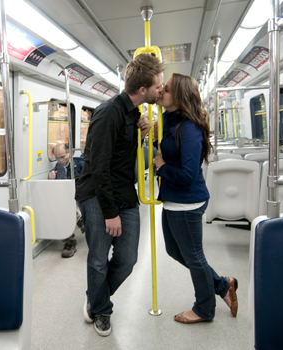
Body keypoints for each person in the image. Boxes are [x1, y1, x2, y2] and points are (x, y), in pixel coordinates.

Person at [75, 53, 164, 336]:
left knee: (127, 259)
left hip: (125, 193)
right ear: (142, 90)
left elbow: (119, 155)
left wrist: (142, 135)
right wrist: (110, 212)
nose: (160, 90)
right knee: (99, 258)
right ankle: (102, 310)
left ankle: (95, 297)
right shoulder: (108, 113)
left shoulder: (133, 113)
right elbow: (98, 168)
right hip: (98, 196)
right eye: (157, 86)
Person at [153, 73, 238, 324]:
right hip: (173, 200)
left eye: (165, 89)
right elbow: (169, 147)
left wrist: (161, 167)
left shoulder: (189, 128)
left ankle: (204, 308)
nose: (160, 92)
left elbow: (188, 174)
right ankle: (223, 285)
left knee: (193, 256)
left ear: (178, 96)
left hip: (186, 202)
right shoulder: (172, 120)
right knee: (174, 251)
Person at [48, 143, 85, 258]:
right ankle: (70, 242)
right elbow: (52, 190)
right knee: (59, 208)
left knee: (68, 204)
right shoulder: (56, 169)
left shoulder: (80, 165)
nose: (59, 160)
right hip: (65, 200)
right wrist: (50, 179)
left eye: (62, 157)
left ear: (69, 153)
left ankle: (80, 219)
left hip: (80, 197)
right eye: (57, 158)